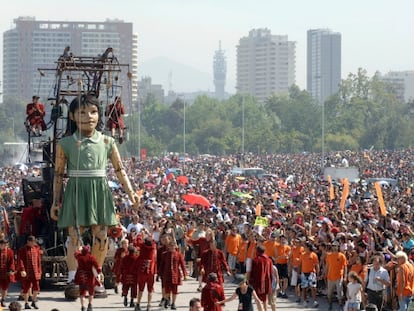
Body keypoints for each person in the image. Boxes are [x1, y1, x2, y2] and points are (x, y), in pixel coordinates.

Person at [50, 94, 139, 287]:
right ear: (72, 116)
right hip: (75, 189)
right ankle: (73, 275)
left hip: (99, 189)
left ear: (99, 115)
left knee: (101, 235)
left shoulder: (107, 142)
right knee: (75, 235)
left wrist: (131, 193)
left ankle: (95, 273)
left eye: (93, 111)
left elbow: (119, 169)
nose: (88, 116)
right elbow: (58, 174)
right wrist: (56, 202)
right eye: (82, 112)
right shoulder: (65, 144)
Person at [159, 242, 187, 310]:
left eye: (173, 246)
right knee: (167, 290)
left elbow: (182, 265)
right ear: (168, 247)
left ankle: (173, 303)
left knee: (175, 290)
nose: (171, 248)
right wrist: (159, 274)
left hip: (175, 274)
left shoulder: (179, 255)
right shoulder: (164, 254)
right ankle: (167, 300)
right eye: (170, 246)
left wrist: (185, 274)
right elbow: (162, 265)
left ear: (175, 247)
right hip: (167, 274)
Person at [17, 235, 42, 310]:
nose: (34, 243)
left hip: (35, 272)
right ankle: (26, 303)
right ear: (28, 242)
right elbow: (20, 261)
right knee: (26, 288)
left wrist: (39, 271)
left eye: (34, 242)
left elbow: (38, 261)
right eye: (32, 242)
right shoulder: (22, 250)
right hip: (27, 272)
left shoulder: (36, 249)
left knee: (36, 288)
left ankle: (34, 302)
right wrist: (22, 270)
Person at [74, 245, 101, 311]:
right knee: (91, 292)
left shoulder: (79, 257)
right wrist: (99, 273)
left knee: (82, 293)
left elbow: (75, 253)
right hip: (90, 278)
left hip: (82, 277)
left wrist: (79, 249)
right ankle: (90, 305)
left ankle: (83, 306)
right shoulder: (91, 258)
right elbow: (97, 267)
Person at [324, 240, 348, 311]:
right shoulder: (329, 256)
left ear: (338, 247)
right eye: (333, 246)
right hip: (330, 277)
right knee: (329, 294)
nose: (334, 247)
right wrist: (324, 274)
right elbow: (327, 266)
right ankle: (330, 305)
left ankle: (340, 306)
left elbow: (345, 266)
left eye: (336, 246)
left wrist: (345, 276)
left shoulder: (342, 256)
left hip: (338, 277)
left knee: (340, 293)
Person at [136, 236, 157, 311]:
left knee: (140, 289)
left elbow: (138, 242)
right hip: (150, 271)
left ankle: (138, 303)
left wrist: (140, 235)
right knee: (150, 289)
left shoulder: (142, 247)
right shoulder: (153, 248)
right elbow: (154, 242)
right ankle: (149, 305)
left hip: (142, 271)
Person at [248, 245, 273, 311]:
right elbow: (271, 272)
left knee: (258, 299)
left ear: (257, 251)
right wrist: (271, 281)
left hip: (258, 281)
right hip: (267, 281)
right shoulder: (269, 260)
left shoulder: (255, 260)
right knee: (265, 298)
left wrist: (250, 281)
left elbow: (252, 272)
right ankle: (265, 309)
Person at [298, 241, 319, 308]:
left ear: (308, 247)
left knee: (313, 287)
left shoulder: (314, 255)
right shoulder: (302, 255)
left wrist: (317, 273)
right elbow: (300, 264)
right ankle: (305, 301)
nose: (304, 248)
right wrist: (299, 272)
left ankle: (315, 301)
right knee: (304, 287)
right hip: (304, 273)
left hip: (312, 273)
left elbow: (317, 265)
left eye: (305, 246)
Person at [0, 239, 15, 307]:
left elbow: (12, 262)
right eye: (4, 244)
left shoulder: (10, 252)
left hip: (5, 273)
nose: (5, 246)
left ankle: (3, 300)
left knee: (5, 288)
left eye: (6, 244)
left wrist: (11, 270)